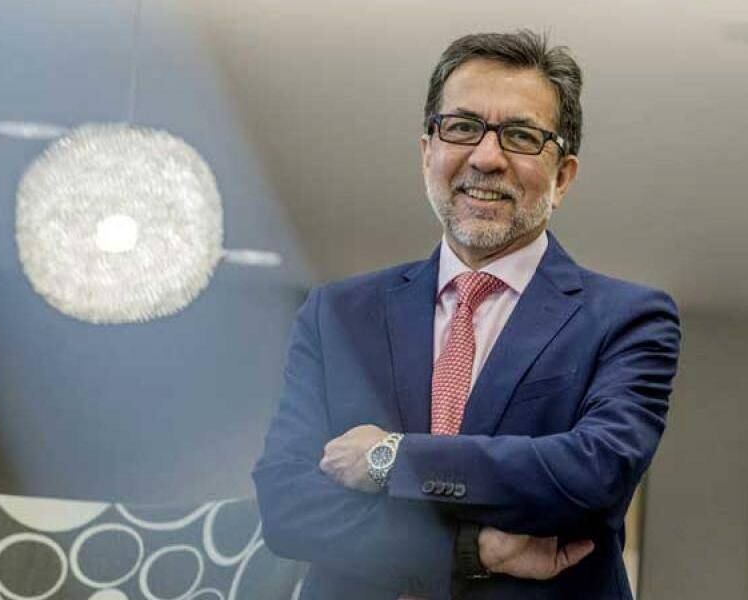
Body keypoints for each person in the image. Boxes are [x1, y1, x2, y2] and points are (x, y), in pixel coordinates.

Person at [253, 30, 681, 599]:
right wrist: (469, 552)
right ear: (427, 152)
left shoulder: (627, 319)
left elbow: (594, 474)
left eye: (521, 136)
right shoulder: (337, 315)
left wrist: (393, 458)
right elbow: (287, 506)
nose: (486, 157)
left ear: (563, 177)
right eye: (461, 127)